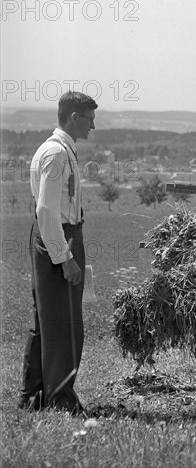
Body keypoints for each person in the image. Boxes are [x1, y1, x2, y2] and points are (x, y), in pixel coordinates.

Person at [19, 91, 98, 414]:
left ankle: (33, 395)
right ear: (74, 117)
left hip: (58, 236)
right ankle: (60, 399)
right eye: (90, 119)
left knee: (46, 320)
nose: (93, 126)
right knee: (64, 322)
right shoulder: (56, 155)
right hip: (59, 238)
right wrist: (64, 258)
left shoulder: (60, 151)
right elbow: (47, 210)